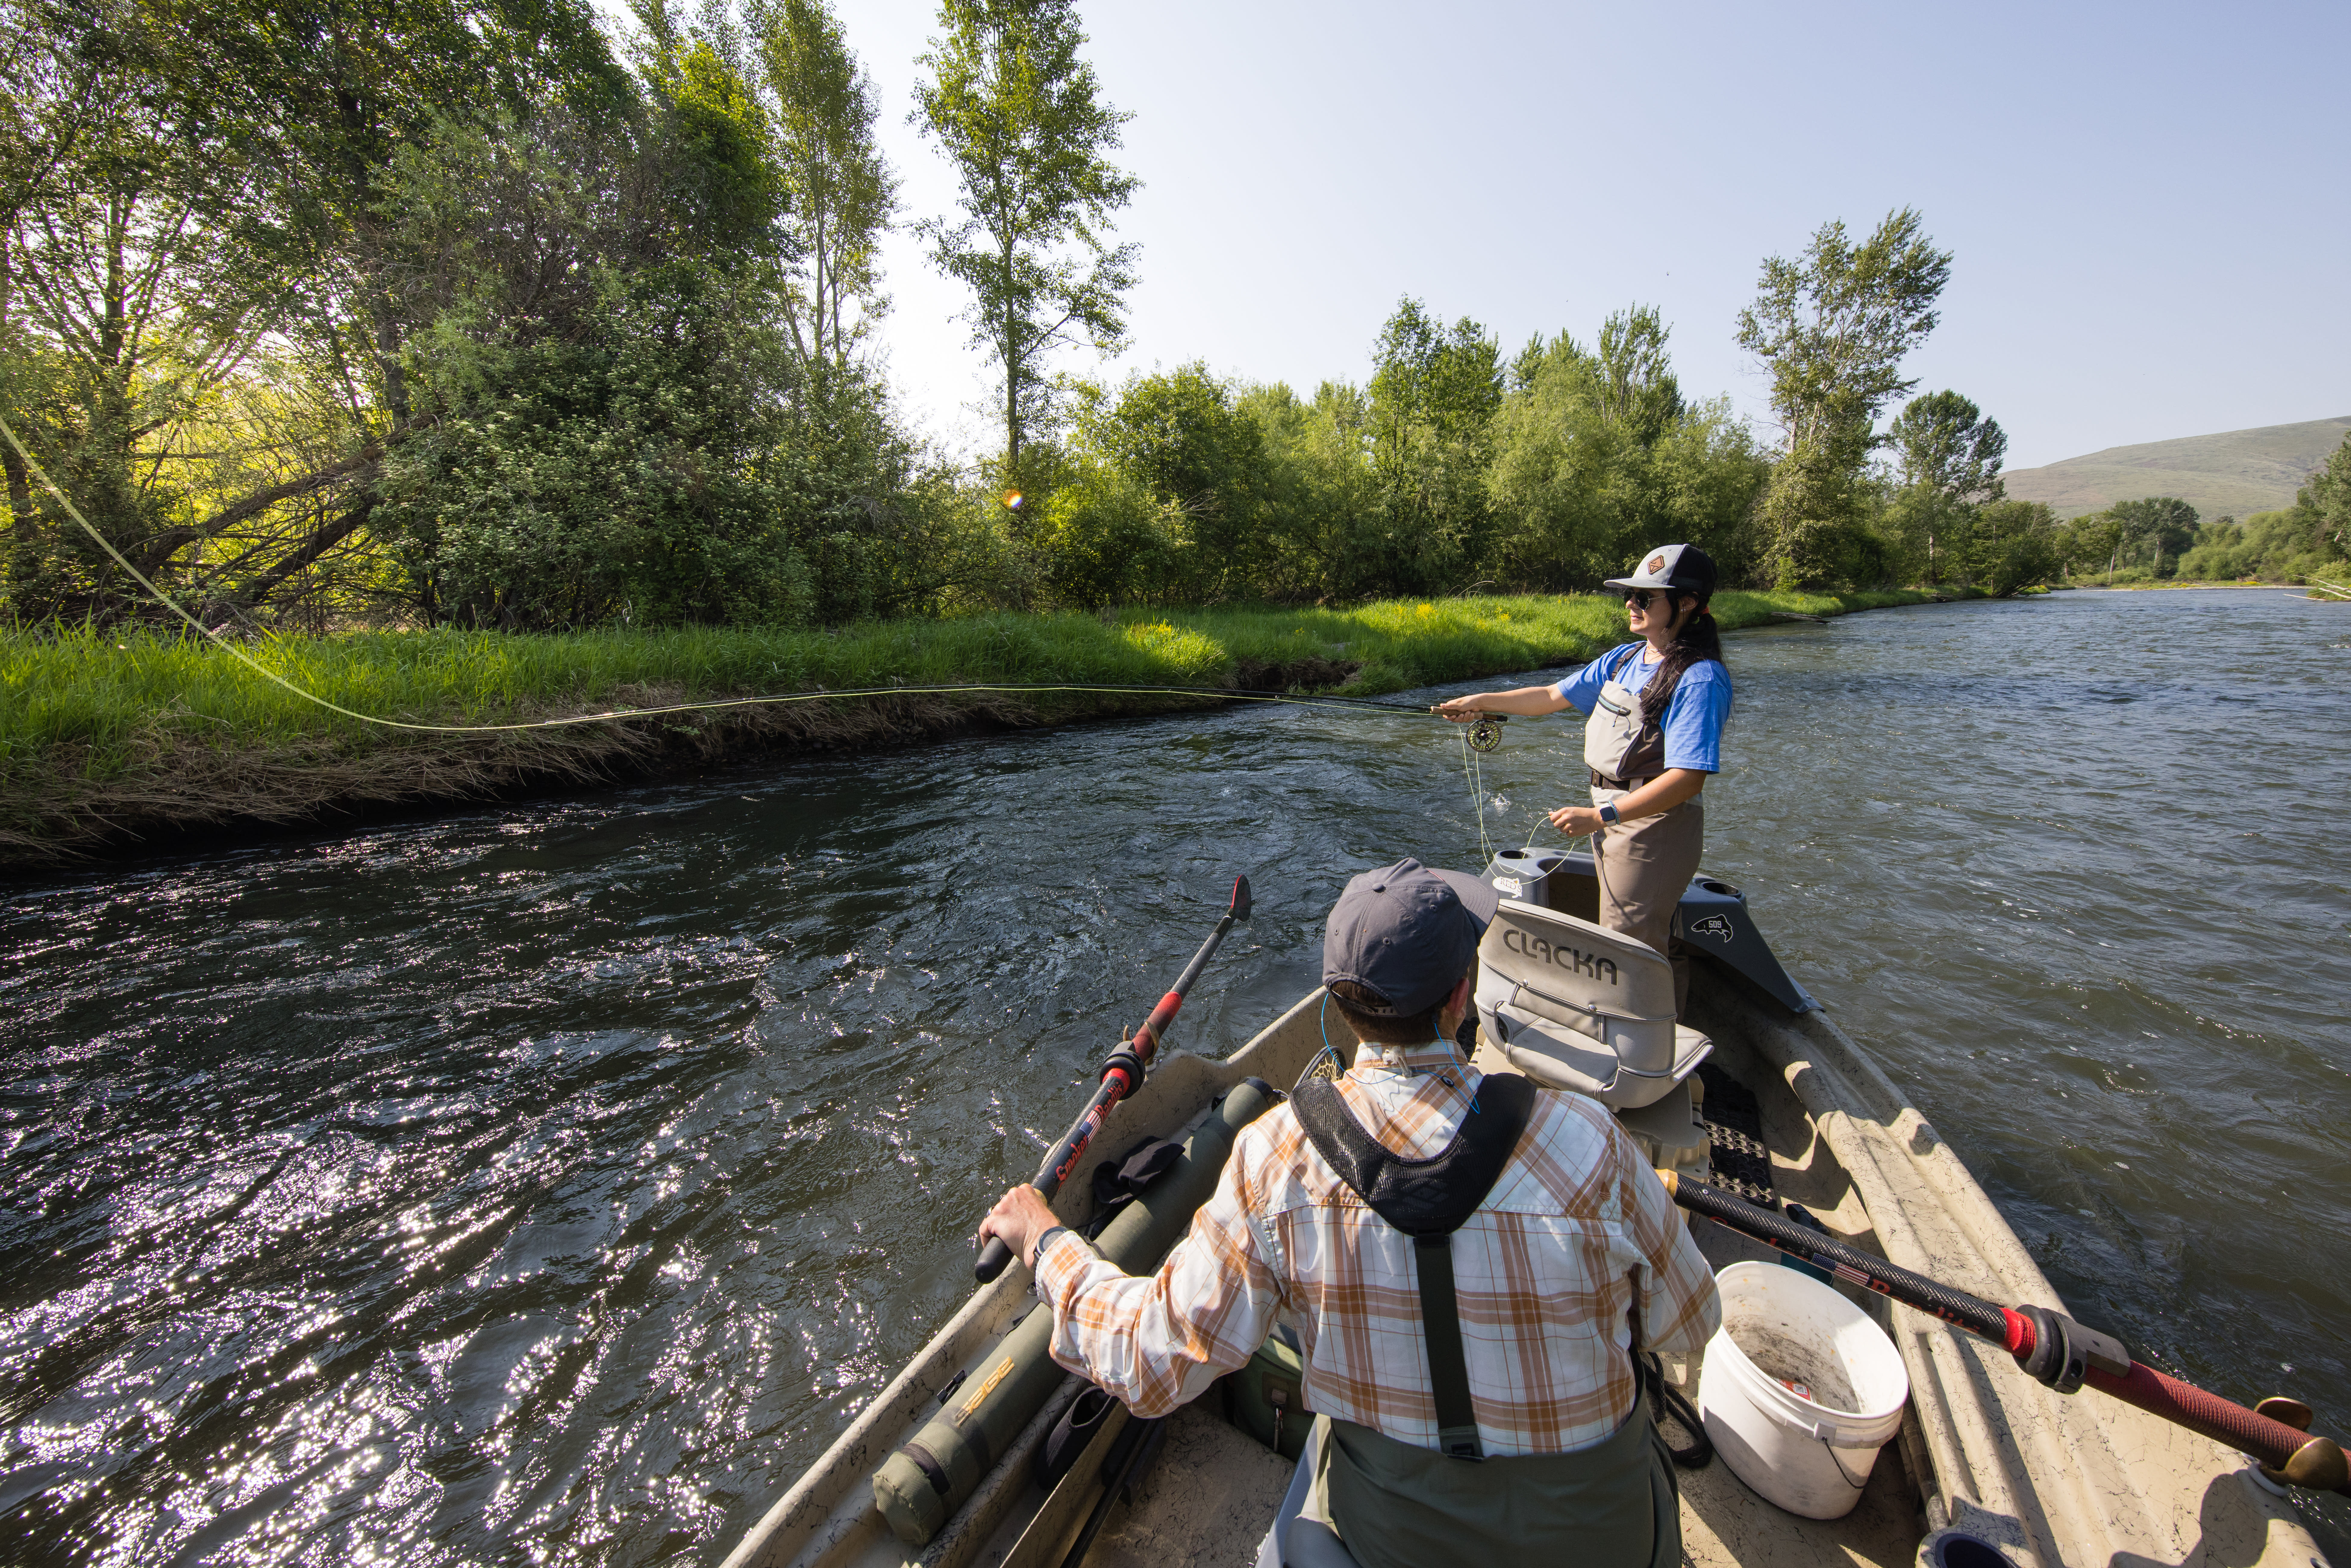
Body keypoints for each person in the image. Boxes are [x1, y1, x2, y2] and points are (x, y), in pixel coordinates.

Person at [977, 860, 1720, 1568]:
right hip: (1610, 1541)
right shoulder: (1591, 1139)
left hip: (1397, 1541)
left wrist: (1045, 1241)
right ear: (1460, 997)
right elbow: (1690, 1323)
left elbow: (1151, 1360)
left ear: (1338, 1006)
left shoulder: (1276, 1159)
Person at [1432, 542, 1730, 1017]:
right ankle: (1653, 1037)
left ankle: (1644, 1048)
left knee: (1627, 949)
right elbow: (1551, 695)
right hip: (1615, 817)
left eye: (1645, 597)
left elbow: (1687, 779)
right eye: (1629, 595)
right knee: (1633, 938)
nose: (1631, 604)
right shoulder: (1624, 659)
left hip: (1652, 828)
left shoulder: (1699, 679)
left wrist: (1600, 815)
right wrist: (1481, 702)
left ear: (1688, 603)